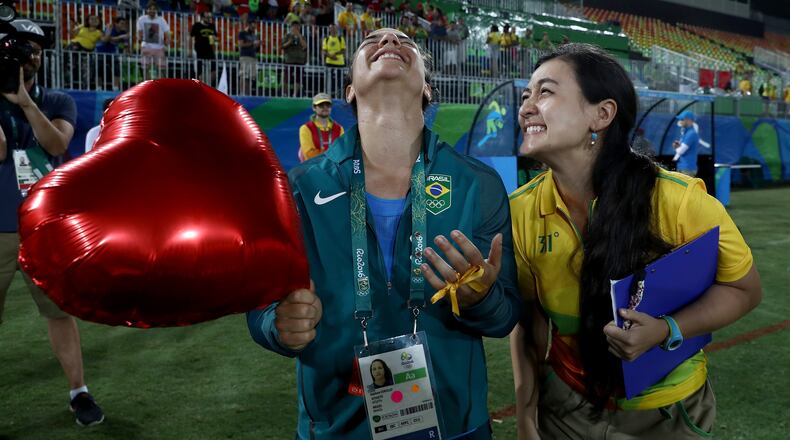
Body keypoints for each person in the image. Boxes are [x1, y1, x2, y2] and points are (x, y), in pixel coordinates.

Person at [247, 28, 521, 439]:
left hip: (454, 425)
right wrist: (277, 325)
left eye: (406, 41)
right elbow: (261, 307)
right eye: (372, 40)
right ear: (350, 89)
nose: (390, 41)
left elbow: (504, 317)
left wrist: (481, 299)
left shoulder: (476, 183)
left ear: (427, 87)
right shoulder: (298, 188)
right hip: (337, 425)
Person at [509, 43, 761, 440]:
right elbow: (528, 318)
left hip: (668, 414)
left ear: (602, 114)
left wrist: (666, 329)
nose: (525, 106)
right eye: (525, 95)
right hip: (565, 412)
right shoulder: (519, 211)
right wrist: (526, 416)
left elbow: (744, 289)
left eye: (545, 92)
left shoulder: (680, 201)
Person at [0, 19, 105, 427]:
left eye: (38, 51)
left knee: (59, 312)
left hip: (43, 227)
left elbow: (57, 144)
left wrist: (26, 102)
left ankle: (79, 392)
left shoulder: (57, 100)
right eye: (23, 49)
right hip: (1, 227)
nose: (32, 57)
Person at [298, 93, 344, 162]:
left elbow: (342, 152)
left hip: (334, 170)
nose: (325, 107)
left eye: (328, 105)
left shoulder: (339, 128)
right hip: (313, 169)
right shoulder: (305, 128)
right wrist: (333, 155)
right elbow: (309, 155)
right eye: (321, 105)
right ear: (314, 107)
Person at [136, 1, 171, 79]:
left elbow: (167, 32)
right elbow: (139, 32)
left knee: (161, 69)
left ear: (156, 10)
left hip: (159, 48)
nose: (152, 10)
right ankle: (146, 86)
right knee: (145, 69)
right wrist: (139, 39)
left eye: (154, 9)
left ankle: (160, 87)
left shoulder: (161, 20)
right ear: (147, 10)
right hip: (146, 47)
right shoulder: (141, 19)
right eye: (150, 9)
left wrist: (167, 41)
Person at [95, 16, 130, 91]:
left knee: (116, 69)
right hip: (101, 51)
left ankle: (116, 88)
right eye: (121, 23)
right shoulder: (110, 28)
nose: (123, 25)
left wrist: (126, 49)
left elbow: (126, 45)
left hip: (112, 53)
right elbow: (107, 40)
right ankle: (98, 87)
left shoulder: (124, 33)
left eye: (124, 24)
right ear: (116, 24)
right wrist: (121, 37)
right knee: (99, 70)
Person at [190, 10, 218, 85]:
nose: (209, 19)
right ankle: (197, 86)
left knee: (214, 71)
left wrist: (214, 47)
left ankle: (208, 85)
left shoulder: (212, 26)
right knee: (198, 71)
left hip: (209, 51)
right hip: (199, 50)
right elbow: (191, 37)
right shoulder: (197, 25)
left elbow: (213, 39)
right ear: (202, 17)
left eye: (210, 17)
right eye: (207, 17)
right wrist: (189, 50)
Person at [281, 22, 307, 97]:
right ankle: (285, 93)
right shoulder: (287, 36)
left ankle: (295, 94)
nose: (296, 28)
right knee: (286, 77)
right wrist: (290, 41)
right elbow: (282, 46)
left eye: (297, 27)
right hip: (289, 59)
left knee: (298, 78)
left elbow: (305, 46)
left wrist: (299, 36)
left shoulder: (302, 36)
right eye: (294, 27)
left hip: (300, 60)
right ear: (291, 28)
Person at [672, 110, 699, 177]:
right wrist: (678, 146)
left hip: (687, 169)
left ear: (689, 120)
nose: (680, 121)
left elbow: (681, 151)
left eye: (682, 119)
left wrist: (676, 147)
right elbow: (680, 149)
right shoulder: (687, 133)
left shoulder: (691, 134)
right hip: (683, 168)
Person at [238, 19, 260, 95]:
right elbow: (241, 44)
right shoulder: (242, 33)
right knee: (244, 75)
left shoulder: (254, 35)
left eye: (255, 27)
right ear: (249, 25)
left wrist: (257, 45)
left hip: (253, 57)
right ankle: (242, 93)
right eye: (253, 26)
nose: (254, 28)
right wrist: (252, 43)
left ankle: (247, 94)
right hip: (245, 57)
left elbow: (255, 48)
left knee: (250, 77)